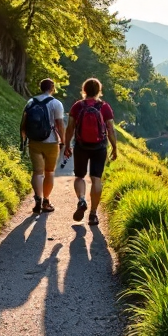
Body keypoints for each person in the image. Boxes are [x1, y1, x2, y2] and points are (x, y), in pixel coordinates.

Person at [63, 77, 118, 225]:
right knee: (96, 179)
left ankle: (81, 199)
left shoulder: (77, 106)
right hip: (99, 147)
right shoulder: (104, 107)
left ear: (84, 90)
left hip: (81, 146)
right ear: (99, 90)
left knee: (79, 177)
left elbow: (70, 128)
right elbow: (110, 130)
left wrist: (67, 145)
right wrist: (114, 147)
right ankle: (93, 214)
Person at [21, 78, 66, 215]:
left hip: (34, 141)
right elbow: (59, 124)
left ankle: (37, 199)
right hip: (51, 142)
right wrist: (63, 141)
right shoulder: (56, 103)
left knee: (37, 172)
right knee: (49, 172)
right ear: (52, 88)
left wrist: (24, 139)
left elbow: (23, 124)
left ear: (40, 87)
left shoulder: (30, 102)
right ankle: (46, 201)